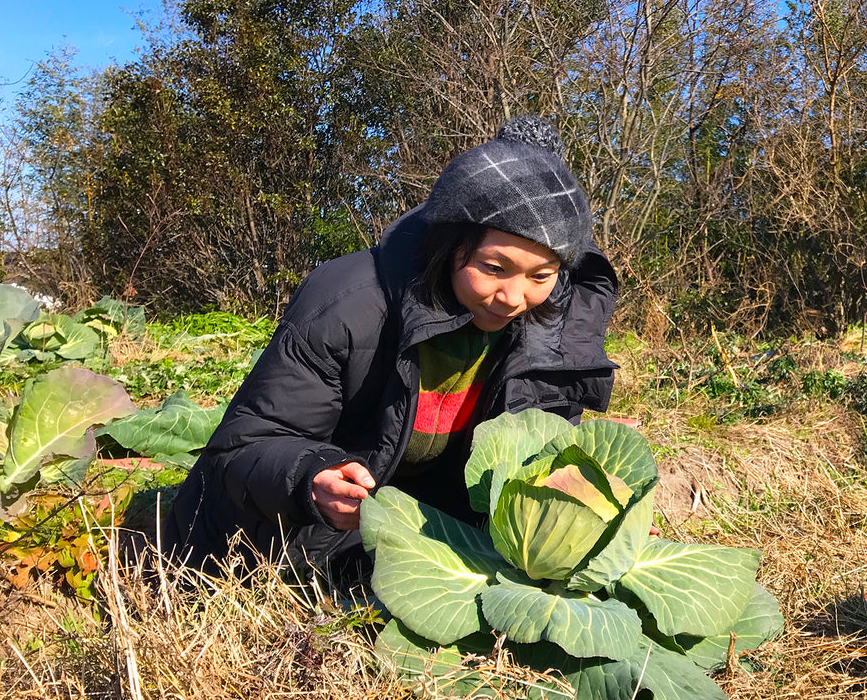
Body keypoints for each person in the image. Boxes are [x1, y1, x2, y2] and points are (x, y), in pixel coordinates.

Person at [161, 117, 618, 577]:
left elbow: (544, 452)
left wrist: (589, 518)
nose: (514, 298)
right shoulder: (349, 304)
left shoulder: (553, 327)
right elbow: (244, 445)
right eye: (494, 267)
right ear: (450, 243)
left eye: (541, 275)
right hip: (295, 533)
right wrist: (311, 477)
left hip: (432, 530)